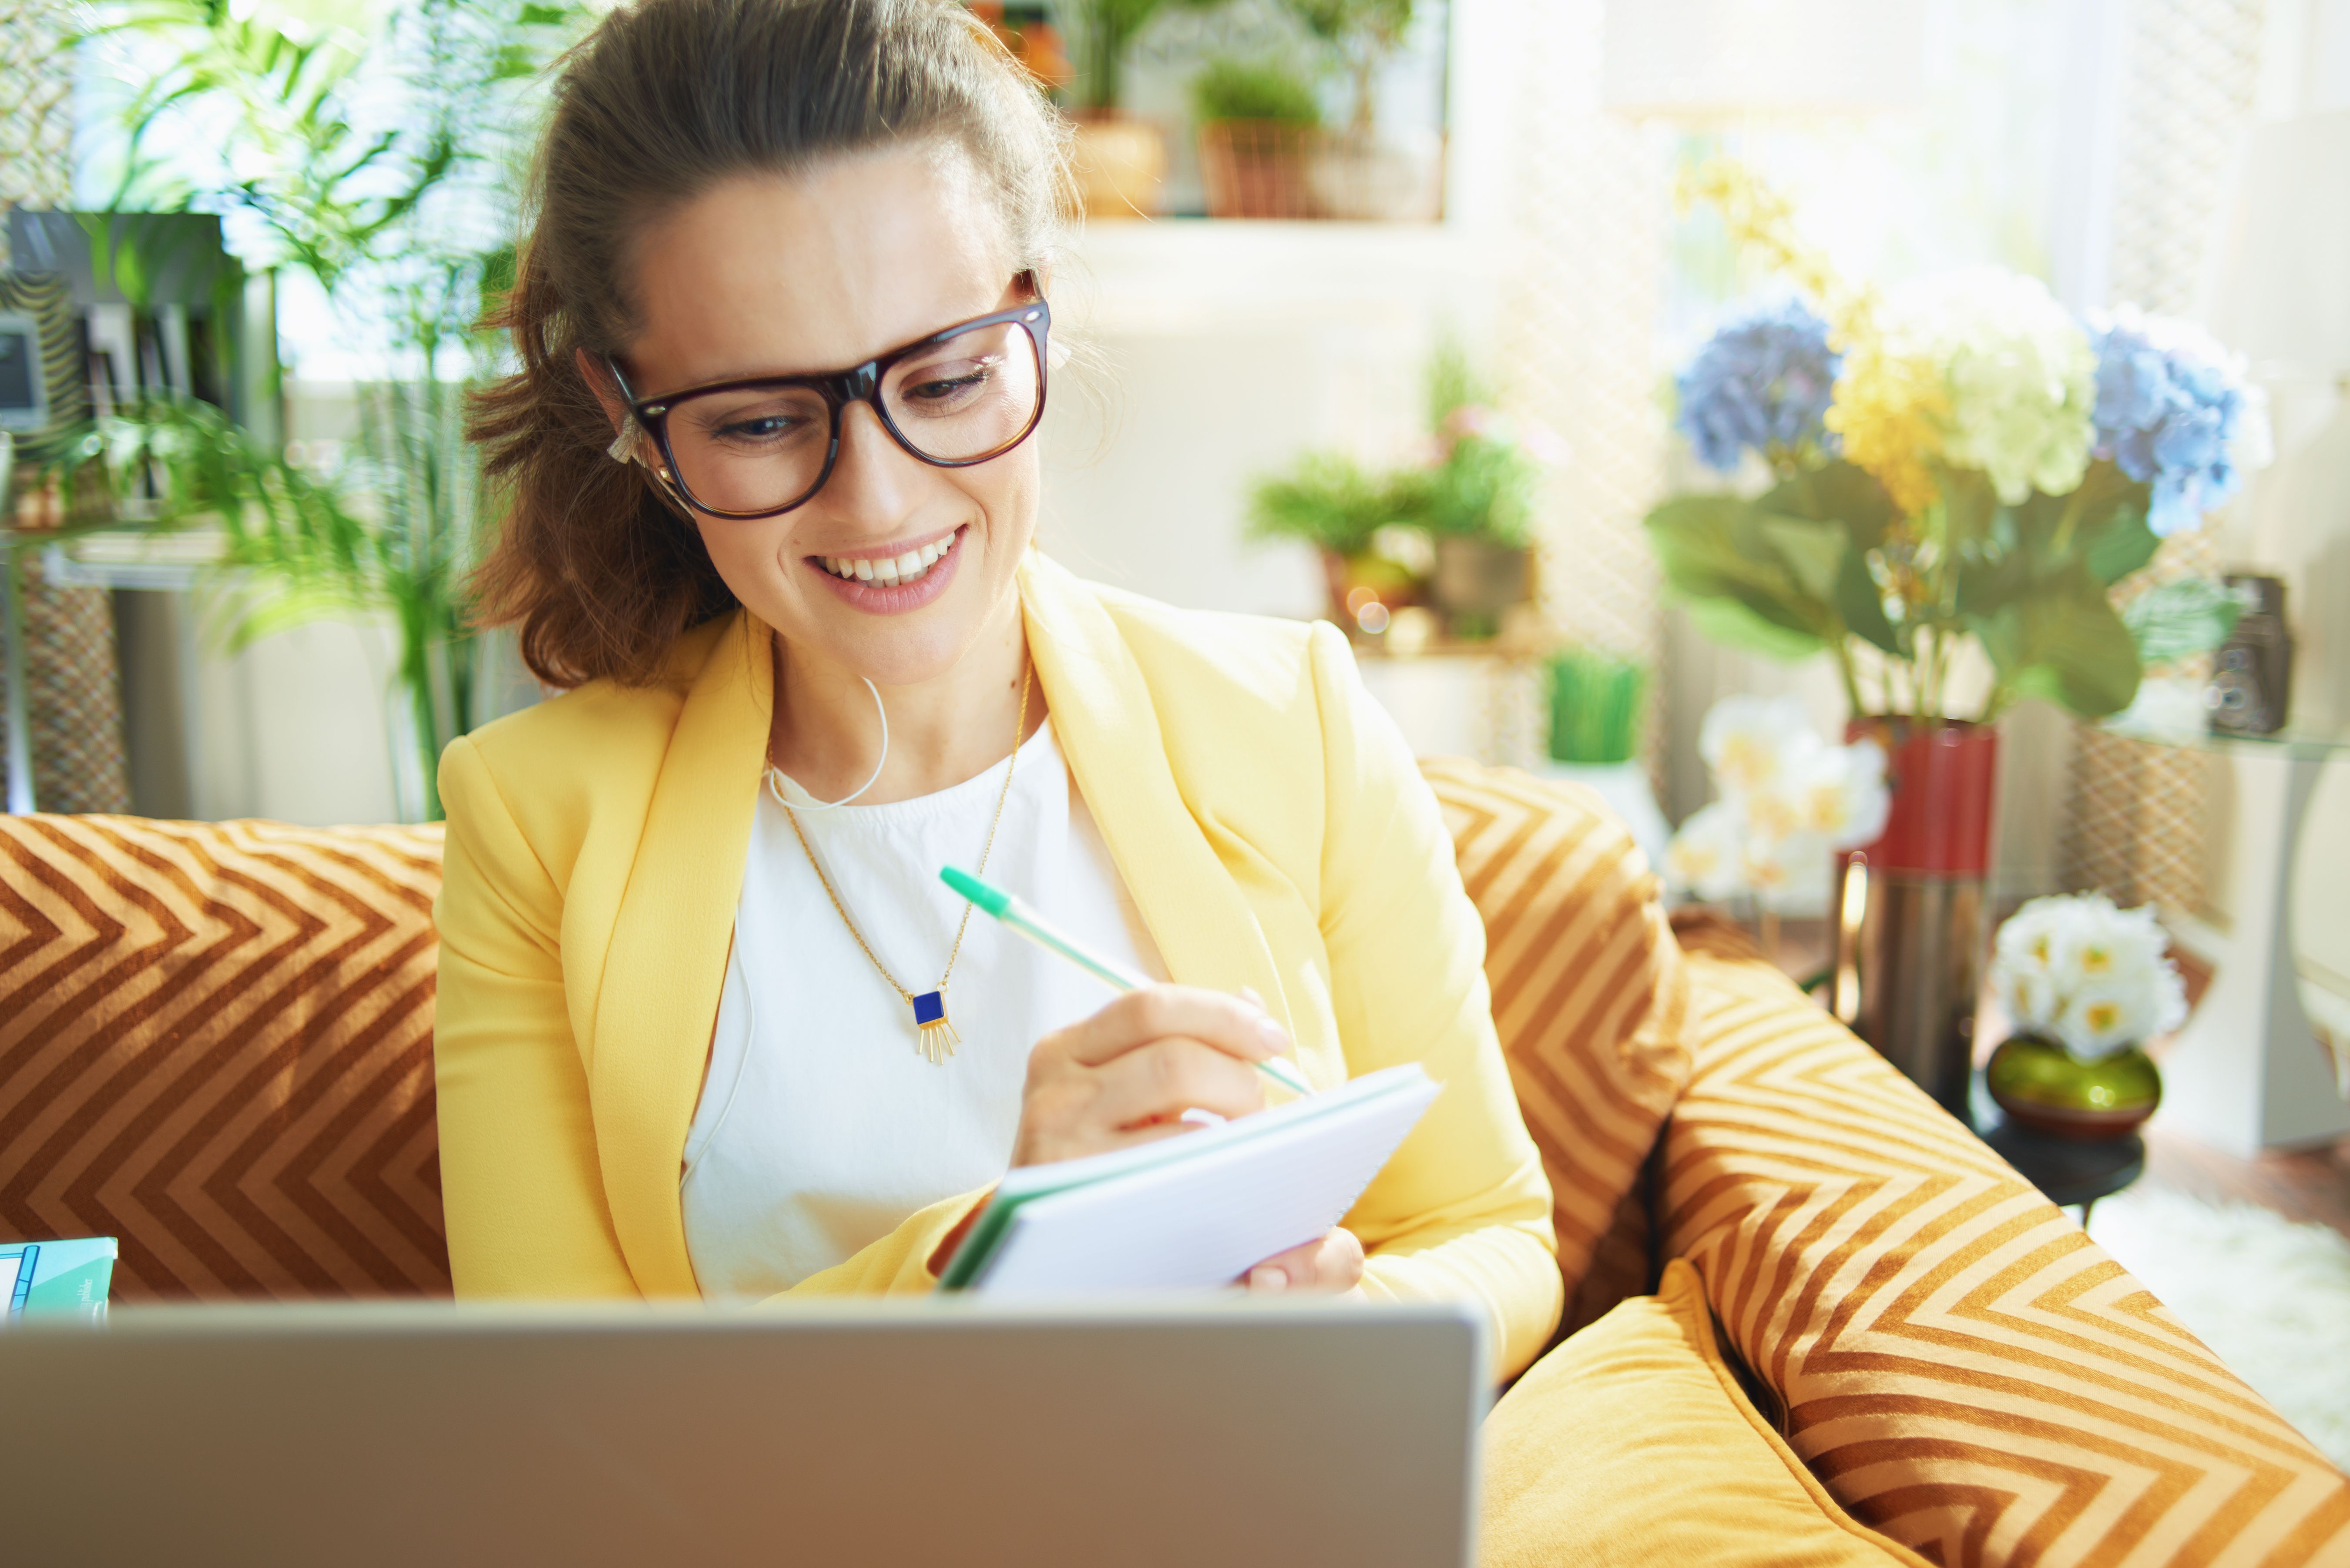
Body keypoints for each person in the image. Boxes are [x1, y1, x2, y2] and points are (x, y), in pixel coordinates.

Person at [437, 0, 1561, 1379]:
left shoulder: (1293, 721)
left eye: (949, 380)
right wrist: (995, 1259)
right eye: (764, 421)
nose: (880, 500)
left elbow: (1490, 1226)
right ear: (630, 414)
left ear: (1037, 312)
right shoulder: (537, 821)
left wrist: (1346, 1328)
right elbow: (560, 1404)